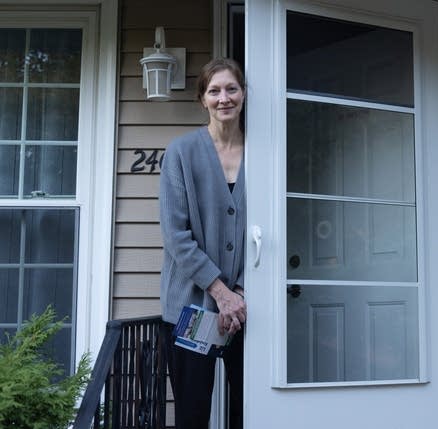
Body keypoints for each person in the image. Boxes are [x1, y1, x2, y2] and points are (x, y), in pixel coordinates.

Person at [159, 57, 247, 429]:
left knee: (251, 410)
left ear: (243, 95)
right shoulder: (181, 152)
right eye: (214, 91)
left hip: (248, 310)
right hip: (191, 307)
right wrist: (220, 292)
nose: (223, 98)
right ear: (202, 100)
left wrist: (240, 291)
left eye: (231, 89)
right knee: (193, 413)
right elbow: (176, 236)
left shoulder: (266, 154)